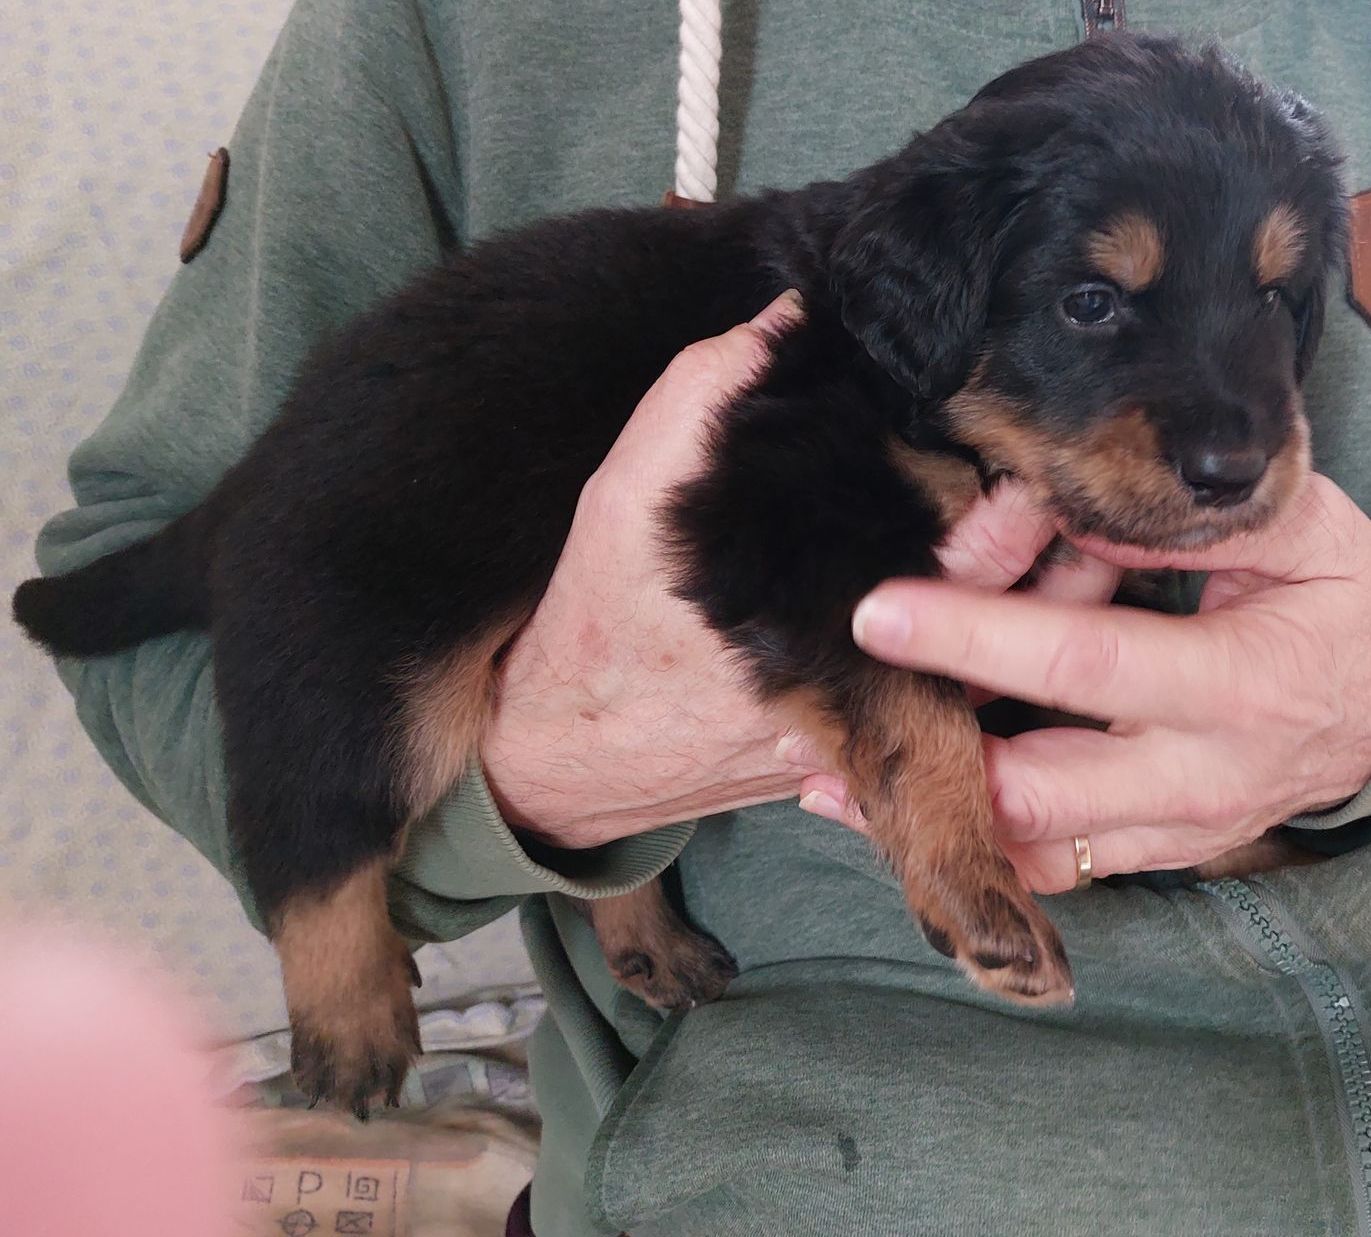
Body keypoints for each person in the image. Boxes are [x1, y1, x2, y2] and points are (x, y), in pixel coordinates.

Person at [29, 0, 1371, 1232]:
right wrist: (546, 781)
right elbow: (202, 596)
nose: (1231, 440)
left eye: (1272, 295)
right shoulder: (464, 43)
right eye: (1093, 301)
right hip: (803, 1144)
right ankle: (330, 930)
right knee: (386, 706)